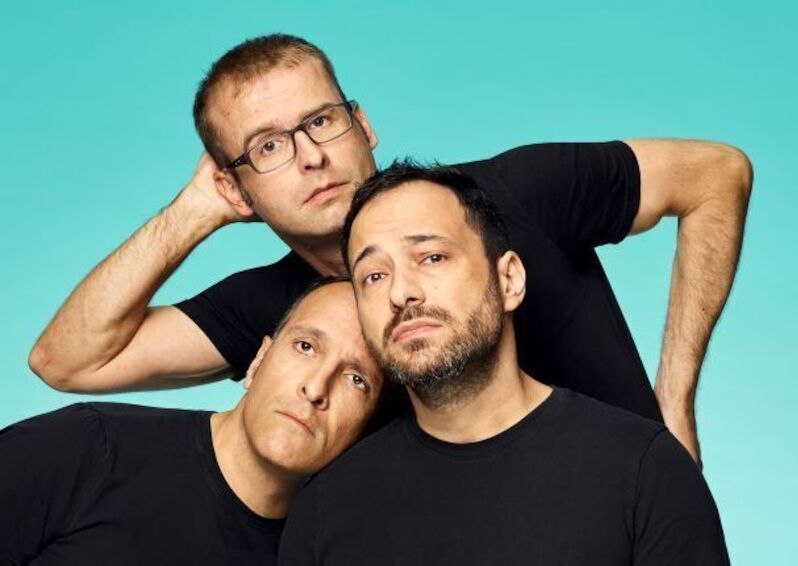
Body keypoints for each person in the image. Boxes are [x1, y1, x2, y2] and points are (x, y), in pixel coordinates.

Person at [29, 34, 753, 463]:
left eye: (320, 120)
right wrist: (193, 212)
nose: (310, 156)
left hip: (638, 524)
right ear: (236, 185)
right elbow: (67, 359)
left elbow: (716, 174)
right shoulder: (284, 311)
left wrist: (676, 399)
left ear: (362, 123)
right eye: (269, 147)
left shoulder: (516, 192)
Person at [277, 162, 729, 565]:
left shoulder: (644, 470)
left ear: (509, 279)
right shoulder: (324, 511)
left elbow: (718, 173)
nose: (400, 293)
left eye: (432, 257)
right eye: (374, 276)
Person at [1, 279, 384, 565]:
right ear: (257, 362)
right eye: (305, 347)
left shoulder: (321, 552)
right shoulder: (88, 447)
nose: (316, 387)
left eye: (357, 379)